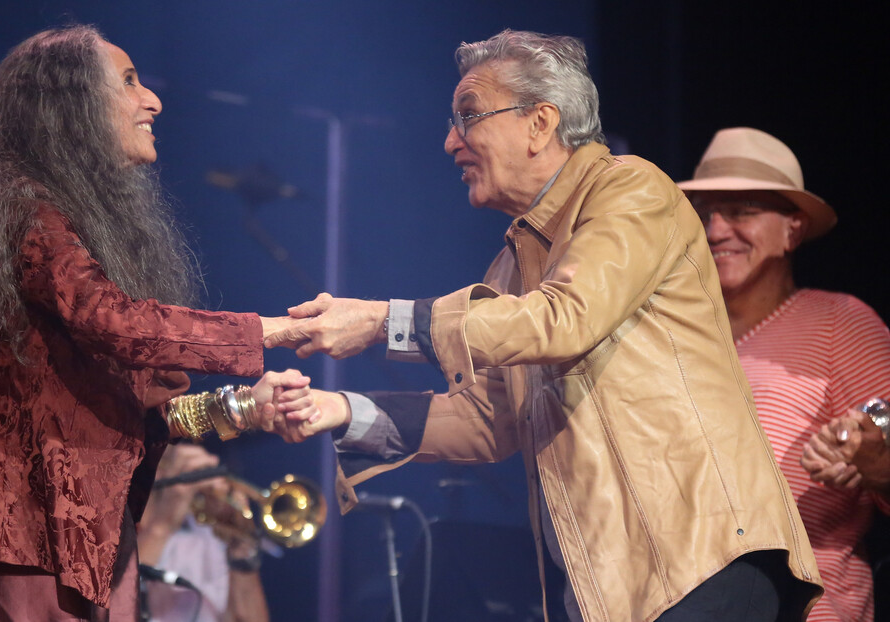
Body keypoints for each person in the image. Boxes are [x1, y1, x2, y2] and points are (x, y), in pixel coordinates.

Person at [265, 30, 822, 621]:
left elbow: (566, 317)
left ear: (540, 123)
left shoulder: (631, 188)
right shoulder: (513, 265)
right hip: (616, 584)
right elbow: (487, 419)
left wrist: (384, 322)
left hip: (704, 556)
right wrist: (341, 409)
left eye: (468, 116)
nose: (451, 140)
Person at [0, 26, 315, 621]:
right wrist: (274, 330)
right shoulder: (21, 208)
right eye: (128, 82)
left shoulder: (71, 221)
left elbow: (118, 414)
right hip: (17, 540)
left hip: (88, 544)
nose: (154, 101)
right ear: (70, 108)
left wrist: (246, 408)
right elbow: (111, 321)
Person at [673, 126, 890, 622]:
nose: (715, 230)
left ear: (793, 228)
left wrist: (874, 461)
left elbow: (883, 433)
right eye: (704, 214)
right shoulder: (671, 333)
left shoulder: (839, 322)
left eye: (743, 211)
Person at [137, 443, 269, 622]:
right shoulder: (107, 530)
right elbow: (113, 608)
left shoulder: (205, 537)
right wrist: (162, 524)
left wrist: (241, 548)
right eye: (165, 461)